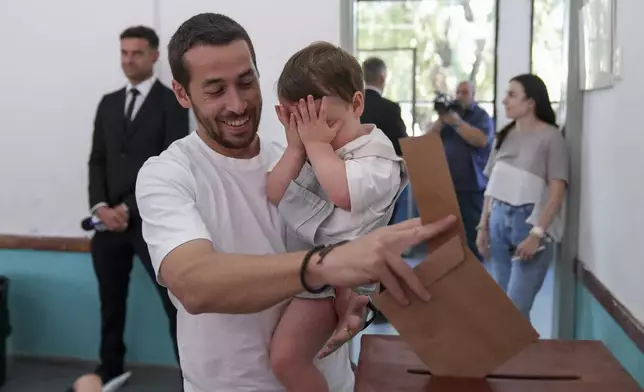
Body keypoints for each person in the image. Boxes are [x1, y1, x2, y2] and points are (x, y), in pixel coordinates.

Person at [135, 13, 456, 392]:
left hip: (331, 381)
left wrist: (362, 296)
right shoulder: (168, 174)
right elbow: (194, 284)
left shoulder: (302, 157)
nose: (237, 104)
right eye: (215, 90)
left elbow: (353, 239)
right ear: (182, 93)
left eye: (246, 82)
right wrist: (326, 267)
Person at [266, 43, 407, 392]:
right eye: (305, 126)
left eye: (327, 123)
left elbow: (343, 193)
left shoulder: (377, 156)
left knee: (285, 359)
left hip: (334, 278)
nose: (320, 134)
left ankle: (353, 306)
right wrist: (297, 147)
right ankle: (352, 311)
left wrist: (315, 145)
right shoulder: (314, 147)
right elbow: (274, 191)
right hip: (314, 270)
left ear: (357, 104)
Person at [78, 25, 189, 391]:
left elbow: (171, 160)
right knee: (109, 303)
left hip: (150, 222)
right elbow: (97, 160)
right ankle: (110, 368)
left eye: (137, 53)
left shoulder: (172, 102)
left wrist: (128, 208)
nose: (129, 60)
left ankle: (191, 373)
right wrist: (100, 207)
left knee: (173, 303)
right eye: (124, 53)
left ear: (155, 56)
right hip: (107, 224)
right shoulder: (108, 103)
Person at [476, 74, 568, 320]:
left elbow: (557, 191)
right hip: (498, 221)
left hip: (528, 224)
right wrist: (482, 226)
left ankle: (520, 357)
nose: (505, 100)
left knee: (515, 310)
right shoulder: (504, 135)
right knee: (503, 307)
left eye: (512, 95)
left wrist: (537, 234)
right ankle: (512, 357)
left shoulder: (551, 137)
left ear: (531, 102)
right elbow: (491, 187)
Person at [426, 80, 493, 261]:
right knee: (447, 238)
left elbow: (481, 140)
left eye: (465, 92)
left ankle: (475, 277)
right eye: (458, 92)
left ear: (473, 95)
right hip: (447, 186)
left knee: (472, 238)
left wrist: (457, 123)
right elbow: (426, 139)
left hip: (472, 187)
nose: (460, 96)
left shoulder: (481, 116)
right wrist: (442, 120)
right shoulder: (449, 115)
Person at [360, 57, 408, 156]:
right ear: (382, 77)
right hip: (383, 167)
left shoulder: (353, 106)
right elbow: (401, 145)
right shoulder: (390, 108)